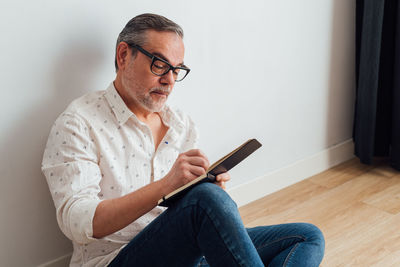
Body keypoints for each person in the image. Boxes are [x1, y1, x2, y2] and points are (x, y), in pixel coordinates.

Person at [42, 13, 325, 267]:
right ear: (123, 55)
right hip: (118, 259)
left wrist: (212, 191)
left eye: (177, 69)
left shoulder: (180, 123)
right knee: (204, 199)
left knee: (306, 237)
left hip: (188, 252)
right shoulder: (78, 122)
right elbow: (77, 222)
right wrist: (169, 187)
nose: (169, 80)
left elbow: (195, 210)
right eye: (160, 64)